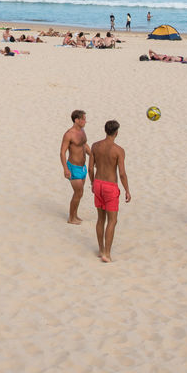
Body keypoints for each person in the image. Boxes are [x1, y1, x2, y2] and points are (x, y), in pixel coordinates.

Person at [90, 120, 131, 262]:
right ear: (116, 132)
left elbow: (90, 168)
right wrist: (127, 190)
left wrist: (92, 183)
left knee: (100, 219)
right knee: (112, 220)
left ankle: (101, 249)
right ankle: (107, 253)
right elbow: (122, 173)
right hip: (110, 186)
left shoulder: (95, 146)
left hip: (98, 183)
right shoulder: (118, 150)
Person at [60, 110, 90, 225]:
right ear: (77, 120)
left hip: (83, 167)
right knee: (78, 193)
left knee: (80, 193)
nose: (85, 121)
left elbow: (84, 145)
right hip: (73, 167)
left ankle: (75, 215)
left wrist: (92, 155)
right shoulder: (69, 134)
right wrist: (65, 169)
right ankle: (71, 218)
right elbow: (62, 152)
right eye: (83, 119)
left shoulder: (82, 131)